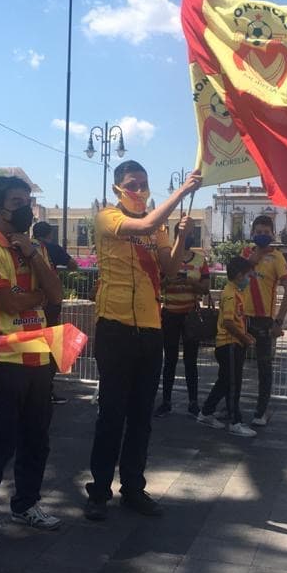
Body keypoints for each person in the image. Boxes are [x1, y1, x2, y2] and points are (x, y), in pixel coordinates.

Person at [83, 161, 201, 522]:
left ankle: (133, 488)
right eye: (132, 183)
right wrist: (182, 190)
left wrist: (181, 236)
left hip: (151, 327)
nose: (139, 189)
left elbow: (169, 268)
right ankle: (99, 491)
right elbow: (145, 224)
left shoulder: (158, 227)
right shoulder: (107, 217)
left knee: (141, 417)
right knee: (111, 414)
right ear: (118, 187)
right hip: (114, 327)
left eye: (144, 183)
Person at [0, 177, 64, 553]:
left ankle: (26, 505)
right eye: (17, 202)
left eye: (28, 201)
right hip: (2, 360)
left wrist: (34, 258)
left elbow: (56, 296)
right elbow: (10, 303)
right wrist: (34, 296)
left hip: (39, 358)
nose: (26, 208)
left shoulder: (37, 248)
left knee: (37, 439)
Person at [239, 216, 287, 427]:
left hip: (263, 320)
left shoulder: (277, 257)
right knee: (233, 365)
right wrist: (258, 253)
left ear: (272, 234)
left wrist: (278, 321)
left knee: (264, 367)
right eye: (258, 231)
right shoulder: (245, 253)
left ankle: (260, 411)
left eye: (266, 232)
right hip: (241, 318)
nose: (262, 235)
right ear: (252, 232)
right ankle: (230, 406)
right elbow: (238, 274)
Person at [155, 227, 210, 418]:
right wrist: (168, 282)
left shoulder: (200, 259)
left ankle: (193, 402)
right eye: (182, 233)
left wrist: (191, 283)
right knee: (169, 360)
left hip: (190, 316)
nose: (186, 237)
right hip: (169, 314)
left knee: (190, 361)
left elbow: (205, 288)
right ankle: (166, 401)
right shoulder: (168, 259)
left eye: (189, 234)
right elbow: (157, 285)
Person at [198, 257, 257, 437]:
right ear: (240, 275)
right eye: (248, 275)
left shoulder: (236, 291)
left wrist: (245, 335)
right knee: (233, 384)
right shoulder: (231, 294)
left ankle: (206, 412)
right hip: (229, 344)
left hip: (232, 343)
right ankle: (235, 421)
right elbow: (229, 322)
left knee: (224, 382)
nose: (250, 278)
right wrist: (244, 338)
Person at [32, 221, 77, 405]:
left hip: (30, 304)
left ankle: (32, 390)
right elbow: (73, 265)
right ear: (49, 234)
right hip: (49, 304)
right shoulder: (52, 248)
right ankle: (46, 391)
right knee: (49, 346)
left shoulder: (26, 246)